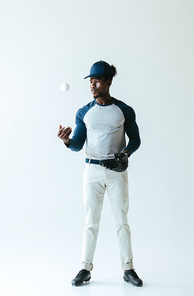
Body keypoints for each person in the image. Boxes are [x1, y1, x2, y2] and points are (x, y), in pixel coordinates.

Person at [57, 60, 143, 287]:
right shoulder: (84, 112)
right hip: (92, 171)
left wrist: (125, 153)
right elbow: (76, 144)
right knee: (90, 222)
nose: (92, 85)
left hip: (116, 171)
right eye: (90, 81)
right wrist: (67, 140)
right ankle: (85, 269)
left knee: (121, 222)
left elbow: (135, 139)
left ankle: (128, 269)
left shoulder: (124, 110)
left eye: (96, 81)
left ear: (108, 82)